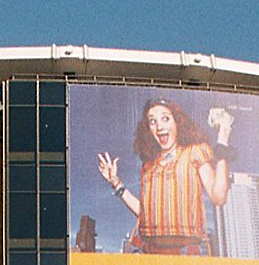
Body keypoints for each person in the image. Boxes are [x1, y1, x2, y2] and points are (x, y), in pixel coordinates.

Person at [97, 98, 234, 256]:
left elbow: (218, 197)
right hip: (148, 254)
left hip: (184, 257)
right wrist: (116, 183)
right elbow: (144, 214)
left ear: (177, 123)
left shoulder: (195, 152)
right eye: (152, 121)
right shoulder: (149, 166)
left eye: (165, 118)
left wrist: (222, 141)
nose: (159, 126)